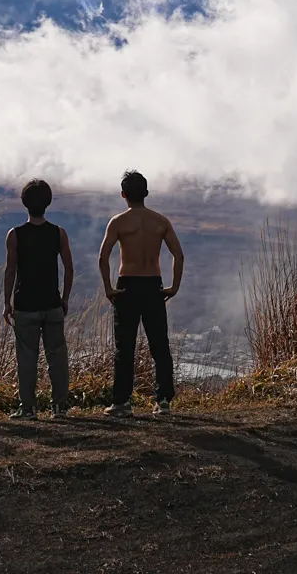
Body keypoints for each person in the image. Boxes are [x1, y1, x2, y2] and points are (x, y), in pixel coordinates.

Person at [98, 170, 184, 417]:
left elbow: (103, 256)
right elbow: (178, 255)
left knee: (124, 347)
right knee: (160, 345)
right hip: (153, 285)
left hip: (127, 286)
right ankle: (163, 400)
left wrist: (108, 288)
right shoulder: (160, 221)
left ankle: (122, 402)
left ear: (123, 195)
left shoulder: (118, 222)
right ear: (146, 193)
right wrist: (174, 286)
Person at [2, 178, 74, 419]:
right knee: (57, 356)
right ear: (48, 202)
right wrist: (64, 298)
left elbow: (10, 270)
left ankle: (28, 408)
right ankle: (59, 407)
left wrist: (6, 303)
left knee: (26, 358)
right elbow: (69, 268)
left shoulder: (15, 235)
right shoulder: (58, 233)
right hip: (52, 304)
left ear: (25, 204)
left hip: (25, 306)